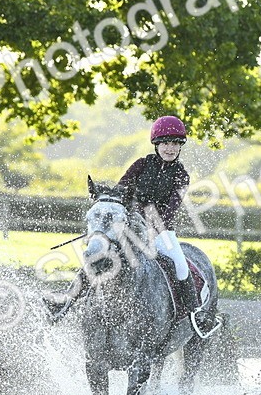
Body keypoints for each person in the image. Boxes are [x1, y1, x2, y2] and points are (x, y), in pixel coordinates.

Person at [46, 115, 213, 330]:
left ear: (180, 147)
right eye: (166, 143)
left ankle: (194, 315)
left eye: (175, 144)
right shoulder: (141, 165)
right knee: (97, 255)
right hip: (129, 226)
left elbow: (172, 208)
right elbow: (119, 193)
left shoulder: (181, 174)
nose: (170, 148)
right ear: (157, 144)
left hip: (162, 231)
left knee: (180, 265)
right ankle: (64, 303)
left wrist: (150, 224)